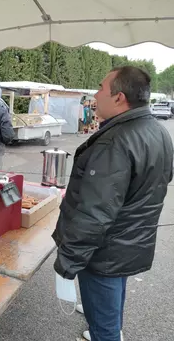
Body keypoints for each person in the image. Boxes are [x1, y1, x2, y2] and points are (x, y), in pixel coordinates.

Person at [52, 66, 173, 341]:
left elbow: (95, 212)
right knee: (113, 302)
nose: (95, 95)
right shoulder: (158, 130)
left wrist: (68, 261)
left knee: (103, 328)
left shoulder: (116, 140)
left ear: (119, 97)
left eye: (101, 88)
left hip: (104, 250)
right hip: (130, 243)